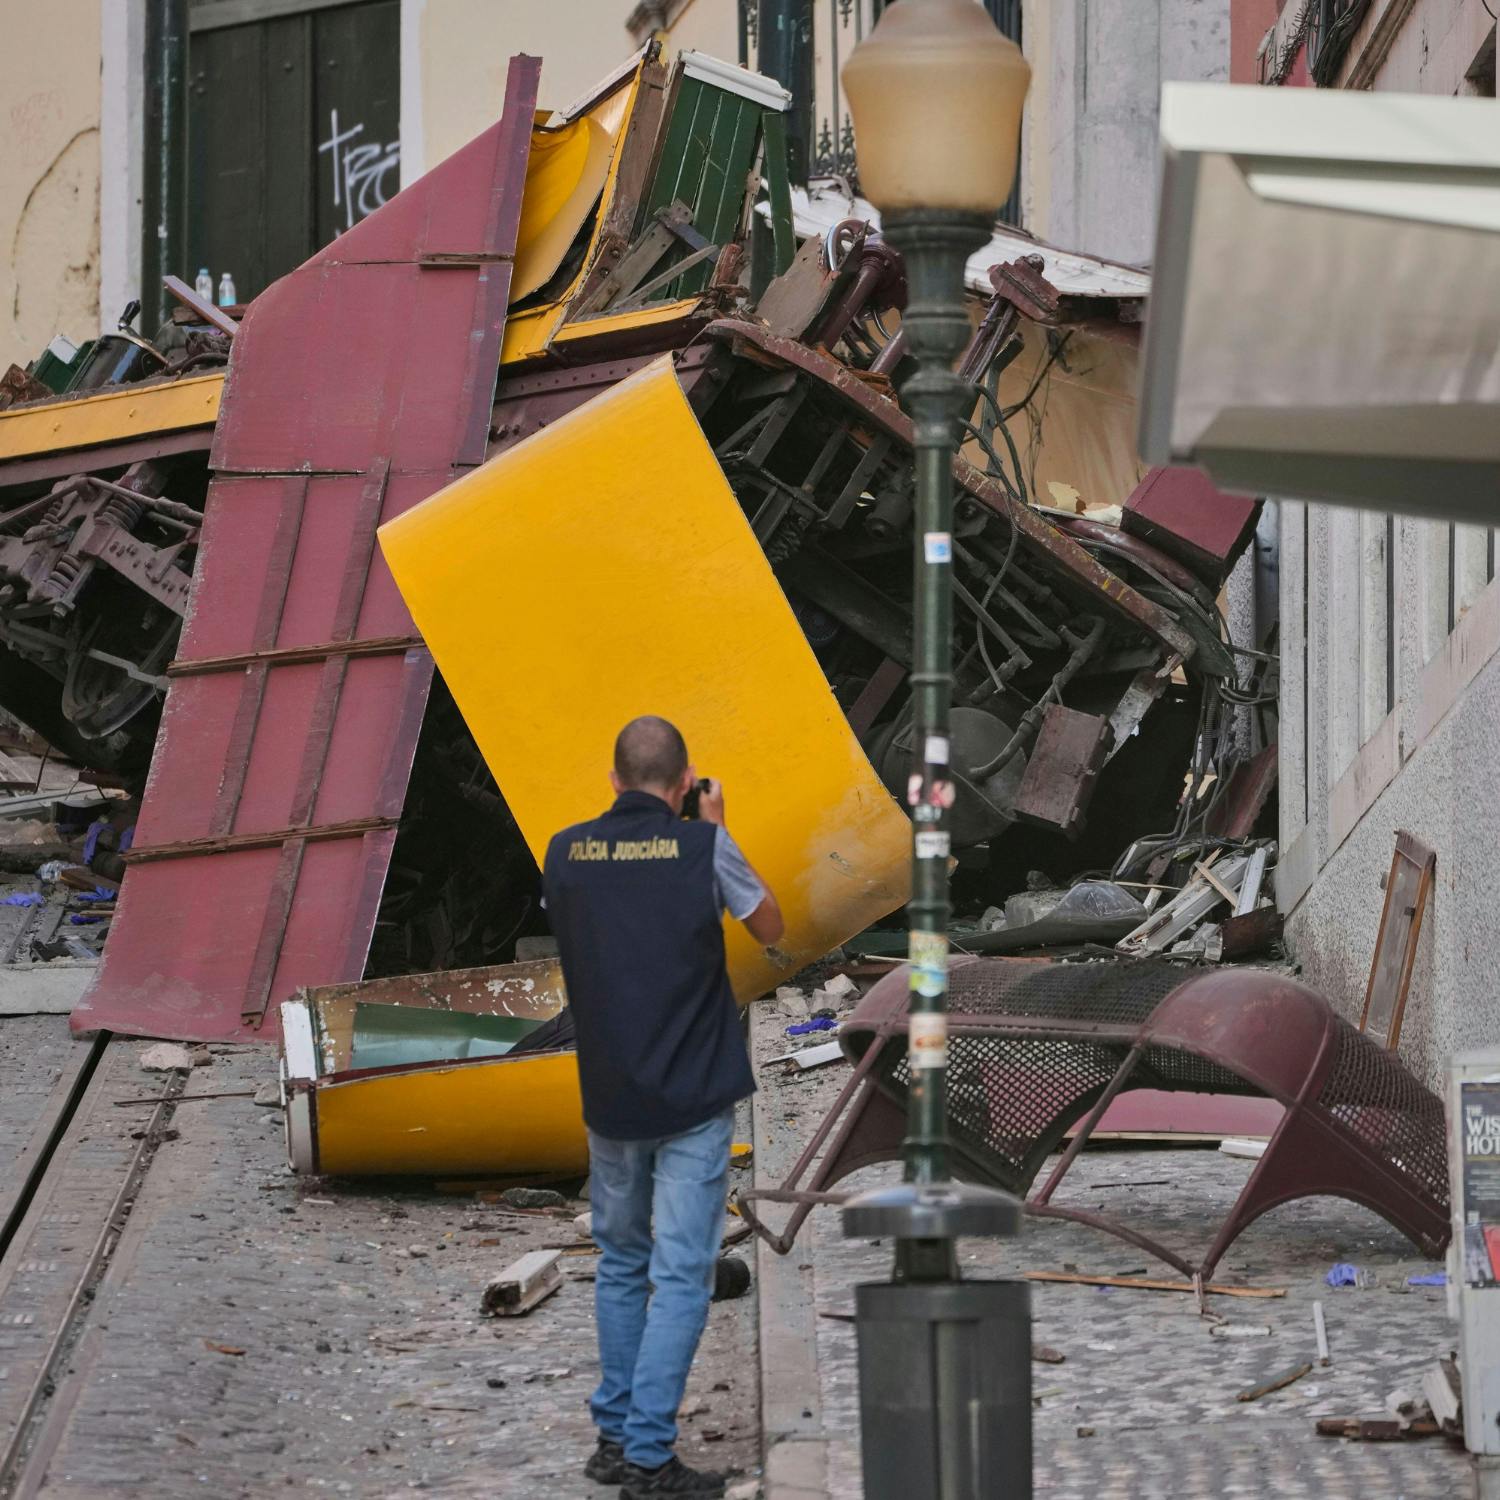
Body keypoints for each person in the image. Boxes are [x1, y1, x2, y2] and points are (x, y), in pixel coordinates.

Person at [543, 716, 783, 1498]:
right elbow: (770, 927)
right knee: (681, 1274)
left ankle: (613, 1437)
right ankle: (647, 1457)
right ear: (684, 786)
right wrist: (714, 832)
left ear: (613, 781)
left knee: (620, 1264)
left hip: (611, 1094)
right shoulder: (703, 848)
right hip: (694, 1092)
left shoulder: (565, 853)